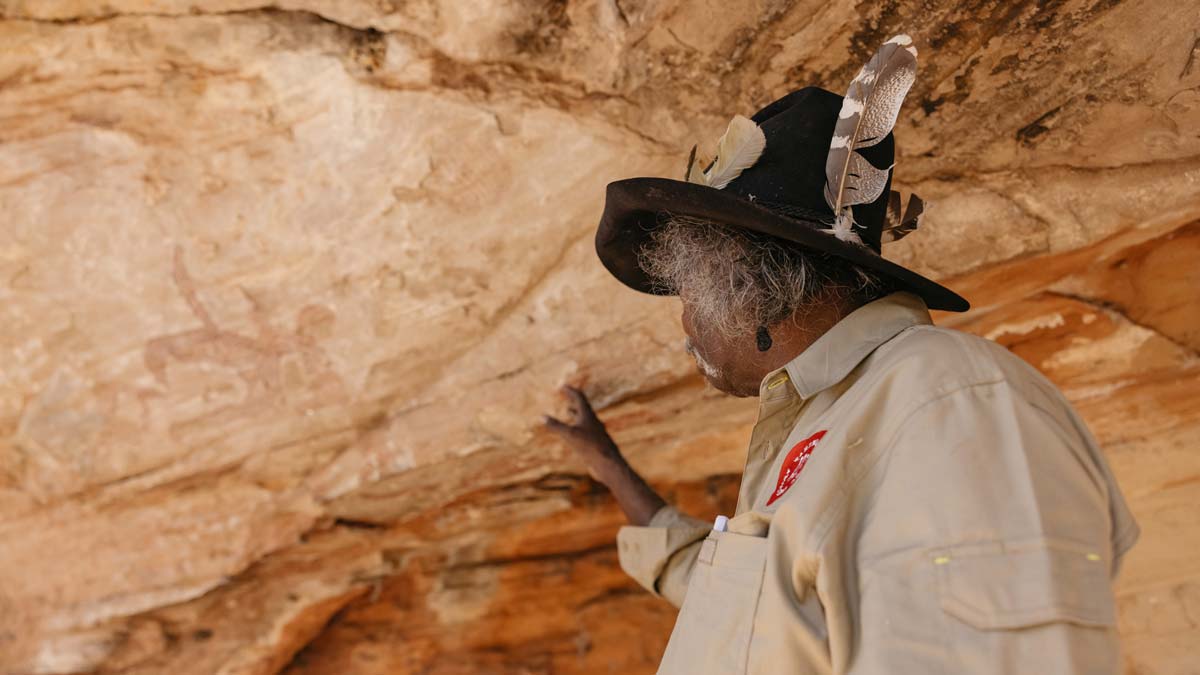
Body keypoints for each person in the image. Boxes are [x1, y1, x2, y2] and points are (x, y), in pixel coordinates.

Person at [542, 34, 1139, 674]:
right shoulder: (842, 418)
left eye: (687, 294)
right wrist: (610, 469)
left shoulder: (952, 406)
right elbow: (748, 609)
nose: (684, 327)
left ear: (750, 288)